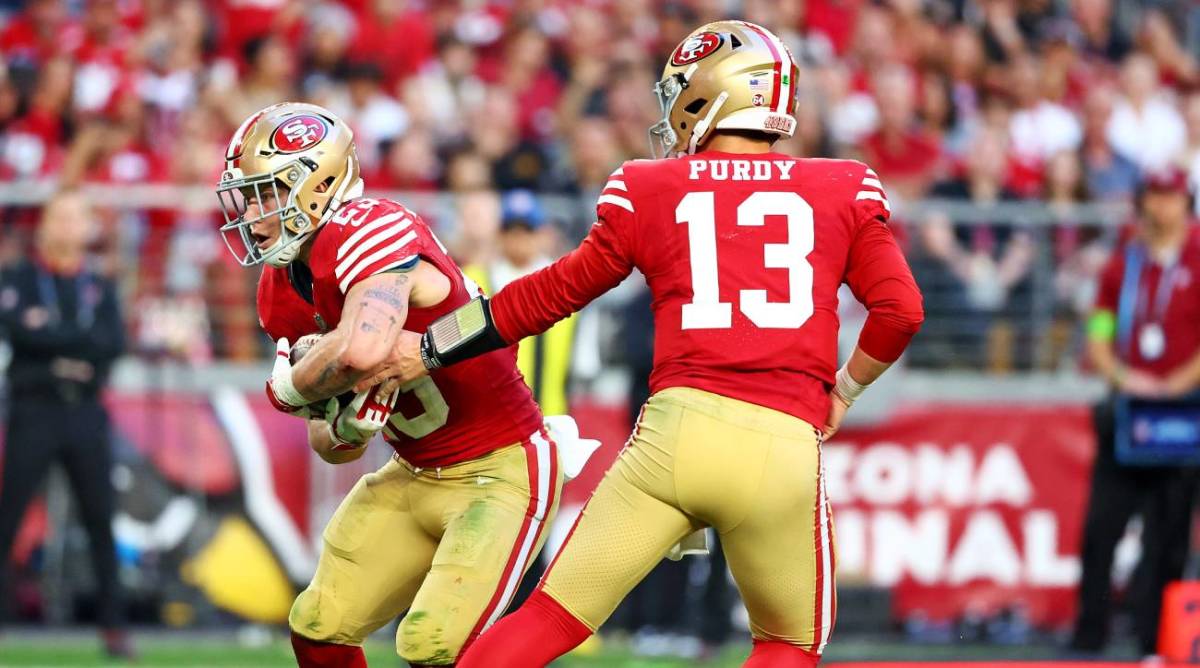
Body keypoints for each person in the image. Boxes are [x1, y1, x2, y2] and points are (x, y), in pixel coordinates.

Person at [363, 21, 924, 666]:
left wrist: (432, 344)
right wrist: (844, 391)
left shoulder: (650, 187)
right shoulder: (844, 187)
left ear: (709, 96)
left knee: (550, 614)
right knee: (788, 644)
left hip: (672, 440)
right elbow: (901, 311)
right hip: (782, 442)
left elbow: (544, 296)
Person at [215, 102, 562, 667]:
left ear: (317, 184)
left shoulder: (369, 225)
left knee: (432, 643)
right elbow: (325, 444)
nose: (254, 217)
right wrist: (346, 428)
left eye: (265, 195)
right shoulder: (280, 288)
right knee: (319, 626)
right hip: (413, 468)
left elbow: (363, 348)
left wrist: (287, 390)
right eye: (248, 198)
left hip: (500, 470)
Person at [1070, 167, 1200, 659]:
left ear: (1185, 201)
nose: (1160, 206)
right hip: (1130, 412)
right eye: (1154, 196)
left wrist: (1176, 384)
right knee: (1101, 529)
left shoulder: (1197, 254)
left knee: (1169, 535)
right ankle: (1089, 637)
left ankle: (1154, 641)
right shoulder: (1125, 260)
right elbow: (1100, 327)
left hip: (1183, 414)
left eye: (1170, 196)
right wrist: (1125, 378)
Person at [0, 190, 132, 659]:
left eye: (77, 218)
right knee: (8, 516)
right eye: (60, 218)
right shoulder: (20, 278)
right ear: (44, 226)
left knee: (100, 520)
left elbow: (110, 344)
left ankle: (114, 627)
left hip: (85, 413)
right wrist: (70, 353)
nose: (67, 228)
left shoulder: (99, 285)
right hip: (34, 411)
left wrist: (52, 347)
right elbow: (18, 333)